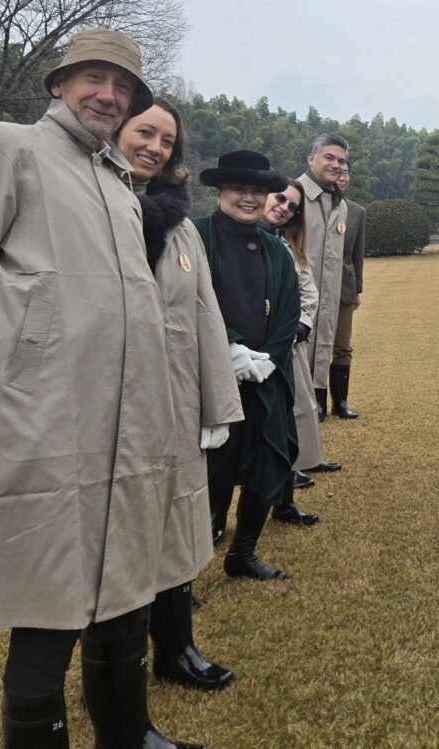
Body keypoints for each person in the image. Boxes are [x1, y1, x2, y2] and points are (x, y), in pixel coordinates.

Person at [0, 28, 203, 749]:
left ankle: (129, 734)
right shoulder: (13, 148)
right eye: (92, 78)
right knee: (46, 612)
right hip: (47, 427)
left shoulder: (121, 185)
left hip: (132, 427)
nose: (106, 94)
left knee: (125, 593)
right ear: (59, 83)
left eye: (121, 87)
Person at [116, 99, 242, 693]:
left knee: (173, 531)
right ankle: (116, 677)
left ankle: (176, 649)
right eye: (145, 132)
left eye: (167, 140)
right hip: (111, 404)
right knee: (116, 541)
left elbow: (205, 316)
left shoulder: (182, 225)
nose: (155, 147)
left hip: (177, 403)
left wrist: (217, 403)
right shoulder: (100, 207)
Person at [196, 150, 300, 581]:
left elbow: (288, 310)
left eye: (258, 190)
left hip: (265, 376)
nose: (249, 198)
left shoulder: (276, 249)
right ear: (220, 191)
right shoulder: (194, 236)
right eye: (240, 188)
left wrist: (270, 360)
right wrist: (229, 349)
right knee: (206, 471)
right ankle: (184, 576)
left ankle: (243, 553)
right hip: (208, 371)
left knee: (266, 460)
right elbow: (186, 303)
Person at [262, 179, 342, 525]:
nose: (284, 208)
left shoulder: (290, 246)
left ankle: (299, 469)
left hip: (288, 342)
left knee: (300, 407)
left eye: (292, 207)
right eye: (280, 199)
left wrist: (303, 324)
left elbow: (307, 291)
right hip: (250, 347)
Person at [296, 134, 352, 420]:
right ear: (311, 159)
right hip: (298, 296)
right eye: (329, 157)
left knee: (325, 345)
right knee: (298, 352)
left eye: (341, 160)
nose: (336, 165)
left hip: (328, 295)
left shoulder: (340, 204)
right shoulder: (293, 194)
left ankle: (319, 401)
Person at [330, 162, 366, 418]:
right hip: (316, 287)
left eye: (346, 174)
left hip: (345, 286)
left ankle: (340, 403)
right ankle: (317, 403)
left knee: (342, 346)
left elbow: (357, 255)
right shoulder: (310, 207)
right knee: (317, 346)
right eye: (338, 173)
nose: (342, 178)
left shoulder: (356, 212)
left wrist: (357, 290)